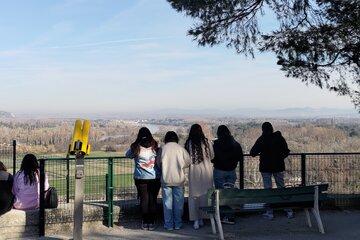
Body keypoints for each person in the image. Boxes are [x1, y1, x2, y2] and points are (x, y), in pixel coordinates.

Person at [250, 122, 294, 220]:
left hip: (265, 167)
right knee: (281, 187)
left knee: (268, 189)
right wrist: (279, 157)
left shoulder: (262, 139)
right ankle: (288, 210)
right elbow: (286, 151)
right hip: (278, 166)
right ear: (272, 128)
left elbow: (252, 152)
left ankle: (269, 212)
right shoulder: (279, 138)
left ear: (263, 130)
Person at [126, 127, 161, 230]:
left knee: (144, 199)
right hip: (154, 177)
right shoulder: (155, 146)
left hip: (140, 178)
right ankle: (152, 221)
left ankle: (145, 222)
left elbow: (127, 155)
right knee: (153, 199)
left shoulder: (135, 147)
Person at [157, 131, 191, 231]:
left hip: (166, 179)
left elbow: (158, 163)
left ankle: (168, 224)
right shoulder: (181, 149)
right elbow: (188, 162)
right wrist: (181, 166)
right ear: (176, 138)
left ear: (166, 139)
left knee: (167, 203)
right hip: (179, 180)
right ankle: (178, 224)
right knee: (178, 203)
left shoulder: (163, 149)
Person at [212, 125, 243, 224]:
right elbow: (240, 157)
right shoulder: (235, 144)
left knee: (220, 195)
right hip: (231, 171)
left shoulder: (215, 144)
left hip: (219, 171)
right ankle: (230, 216)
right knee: (229, 193)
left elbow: (212, 158)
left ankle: (221, 215)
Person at [185, 124, 214, 230]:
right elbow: (212, 155)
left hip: (194, 172)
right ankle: (204, 217)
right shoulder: (207, 142)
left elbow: (187, 158)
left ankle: (196, 220)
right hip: (207, 171)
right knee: (206, 195)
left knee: (194, 196)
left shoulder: (189, 143)